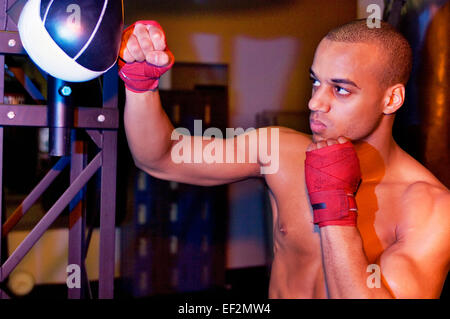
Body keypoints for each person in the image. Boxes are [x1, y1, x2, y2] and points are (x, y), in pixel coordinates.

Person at [119, 19, 450, 298]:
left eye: (341, 90)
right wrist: (141, 85)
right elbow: (160, 157)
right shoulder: (281, 152)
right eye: (316, 82)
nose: (315, 103)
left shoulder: (430, 208)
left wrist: (335, 208)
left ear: (391, 99)